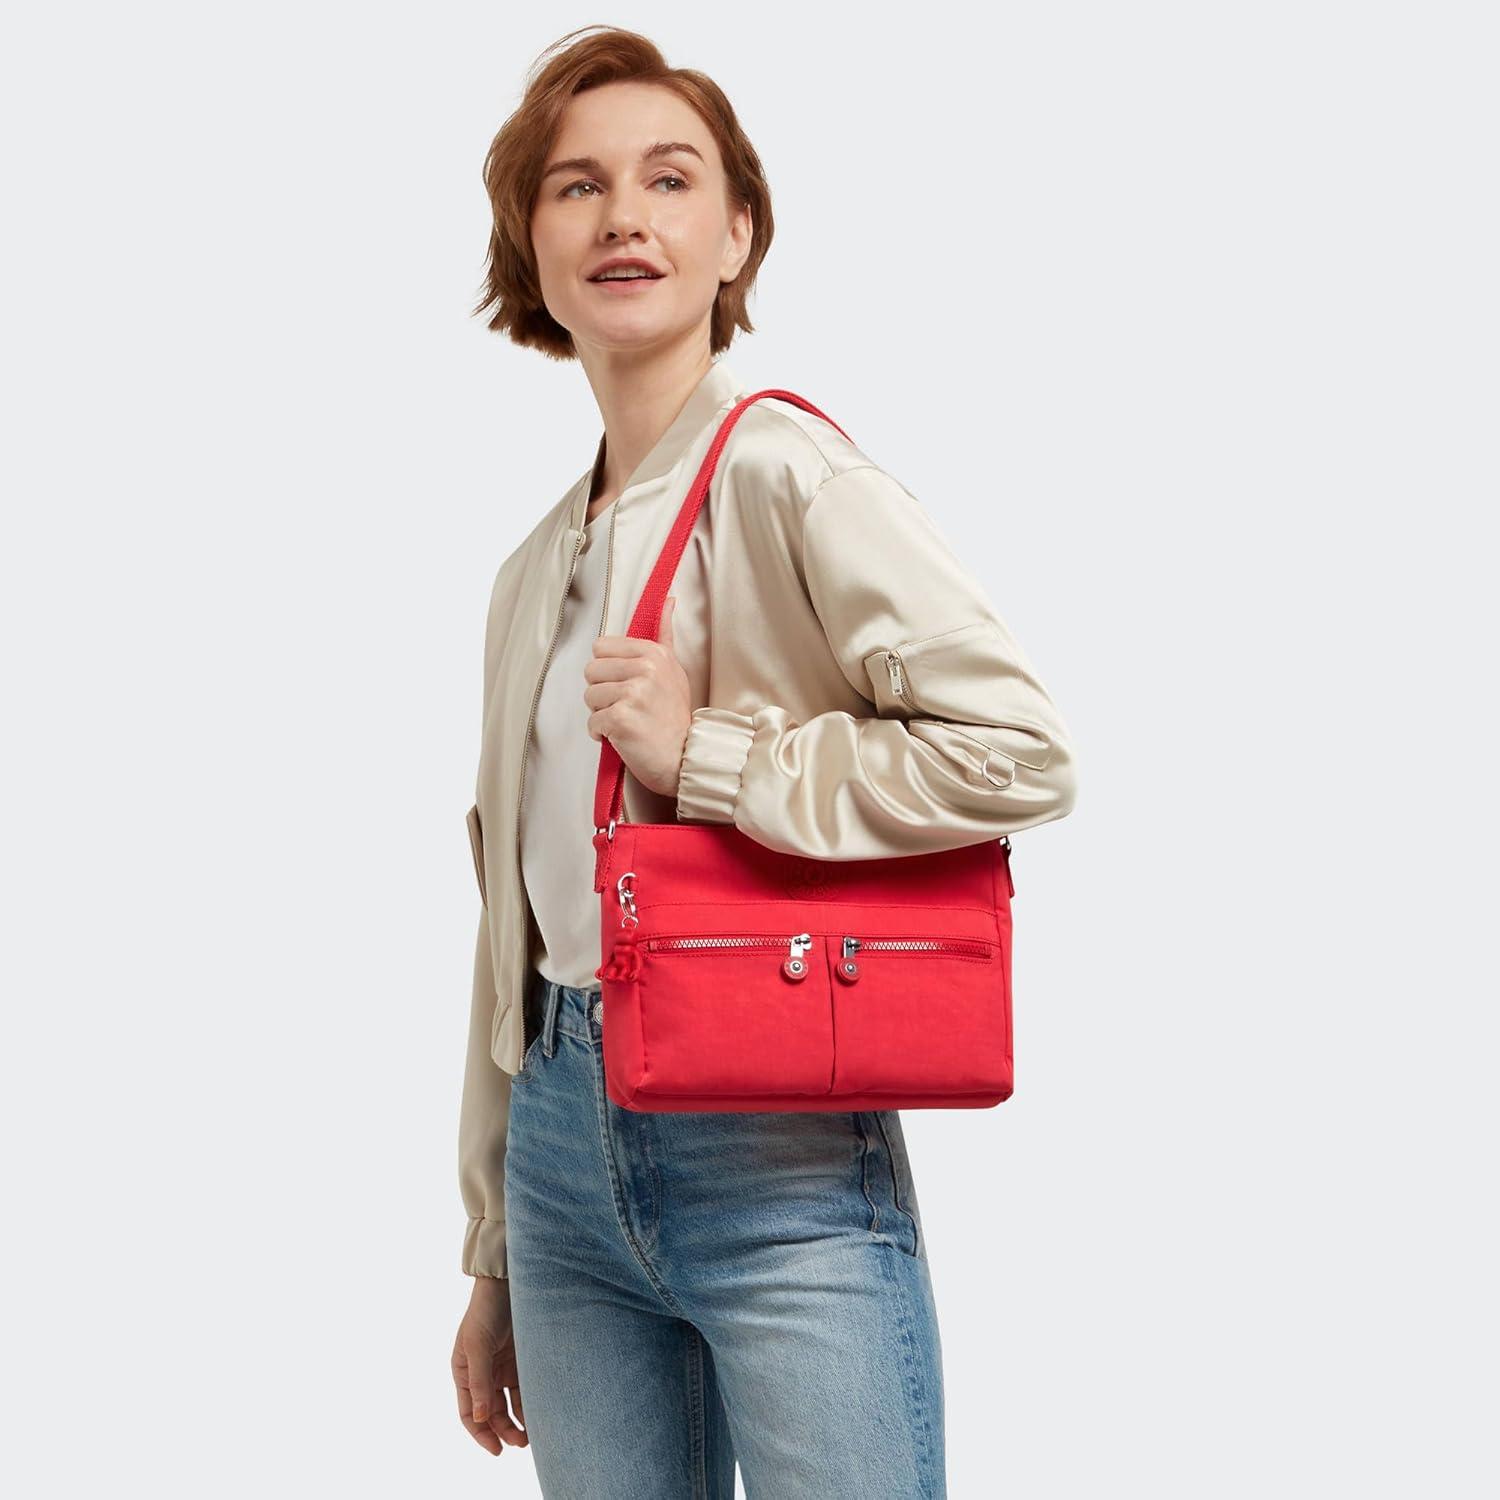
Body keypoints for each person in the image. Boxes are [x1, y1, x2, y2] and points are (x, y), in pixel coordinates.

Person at [450, 25, 1078, 1498]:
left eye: (670, 180)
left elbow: (1021, 750)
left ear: (737, 234)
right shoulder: (533, 568)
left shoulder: (786, 473)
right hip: (559, 1150)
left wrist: (715, 758)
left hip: (775, 1153)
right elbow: (508, 929)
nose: (623, 216)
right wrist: (493, 1248)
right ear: (531, 243)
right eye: (576, 186)